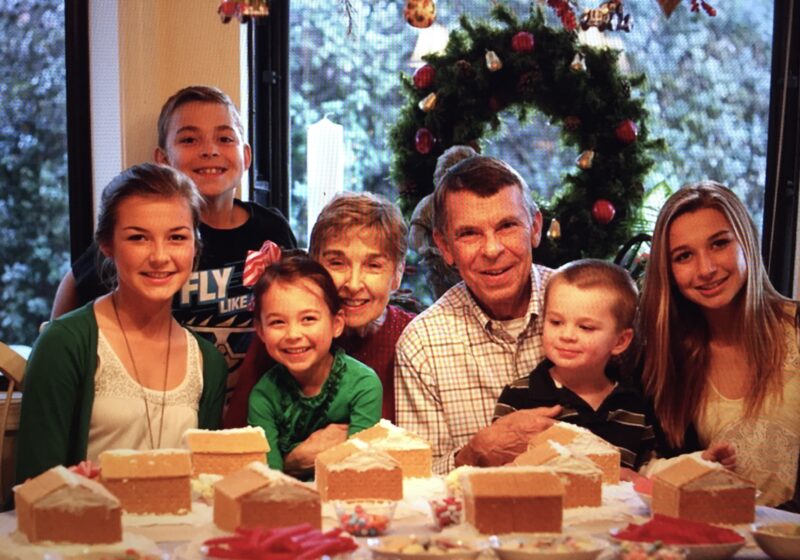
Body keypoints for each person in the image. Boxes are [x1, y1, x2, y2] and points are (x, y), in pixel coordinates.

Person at [50, 86, 297, 394]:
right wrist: (53, 359)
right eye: (189, 139)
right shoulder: (146, 233)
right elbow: (75, 283)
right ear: (163, 159)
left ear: (246, 155)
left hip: (254, 403)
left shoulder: (271, 230)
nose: (209, 150)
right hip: (169, 400)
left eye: (225, 138)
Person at [16, 164, 228, 484]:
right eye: (138, 237)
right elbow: (33, 487)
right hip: (83, 531)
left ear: (194, 247)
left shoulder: (208, 361)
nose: (159, 256)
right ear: (107, 245)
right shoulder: (65, 344)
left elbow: (208, 485)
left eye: (176, 237)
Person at [639, 180, 799, 508]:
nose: (706, 269)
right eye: (684, 256)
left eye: (719, 244)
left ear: (746, 241)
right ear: (667, 271)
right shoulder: (667, 358)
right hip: (715, 541)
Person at [395, 155, 554, 474]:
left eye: (507, 226)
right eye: (470, 234)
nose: (492, 249)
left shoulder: (587, 306)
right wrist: (472, 454)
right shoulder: (422, 344)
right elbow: (418, 477)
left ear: (534, 228)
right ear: (445, 247)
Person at [225, 191, 415, 427]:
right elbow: (236, 441)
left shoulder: (413, 339)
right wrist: (297, 457)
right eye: (337, 262)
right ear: (314, 266)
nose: (354, 284)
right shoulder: (286, 334)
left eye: (373, 265)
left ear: (397, 275)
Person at [456, 259, 652, 469]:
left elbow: (648, 471)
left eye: (585, 327)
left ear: (620, 341)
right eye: (556, 322)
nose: (567, 335)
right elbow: (500, 471)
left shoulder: (635, 403)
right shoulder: (520, 396)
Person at [247, 251, 383, 478]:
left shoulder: (364, 385)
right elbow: (268, 479)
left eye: (308, 319)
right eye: (277, 322)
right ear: (261, 331)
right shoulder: (263, 396)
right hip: (284, 505)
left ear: (336, 323)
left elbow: (359, 469)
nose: (293, 334)